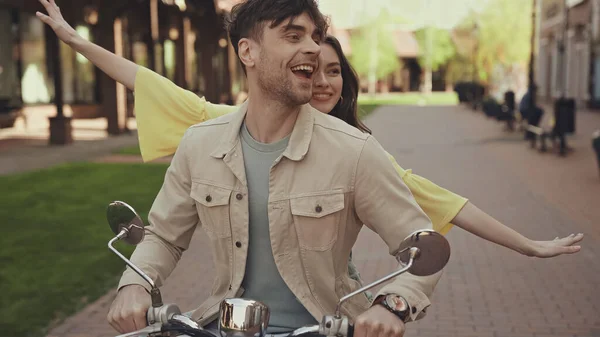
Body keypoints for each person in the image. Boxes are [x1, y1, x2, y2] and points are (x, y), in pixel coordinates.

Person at [37, 0, 583, 334]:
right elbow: (161, 234)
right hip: (219, 324)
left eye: (317, 39)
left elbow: (425, 242)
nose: (312, 52)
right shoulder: (200, 140)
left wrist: (393, 307)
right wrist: (134, 283)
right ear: (248, 52)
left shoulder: (356, 152)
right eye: (294, 36)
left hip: (329, 327)